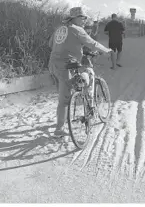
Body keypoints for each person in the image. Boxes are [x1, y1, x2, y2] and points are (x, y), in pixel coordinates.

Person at [48, 7, 112, 137]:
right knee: (64, 99)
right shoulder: (77, 30)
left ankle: (64, 119)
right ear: (74, 18)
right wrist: (107, 50)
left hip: (52, 64)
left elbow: (50, 44)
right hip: (66, 66)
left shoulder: (60, 28)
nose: (84, 20)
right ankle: (59, 130)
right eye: (82, 18)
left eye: (85, 18)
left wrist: (72, 47)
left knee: (63, 93)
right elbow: (92, 43)